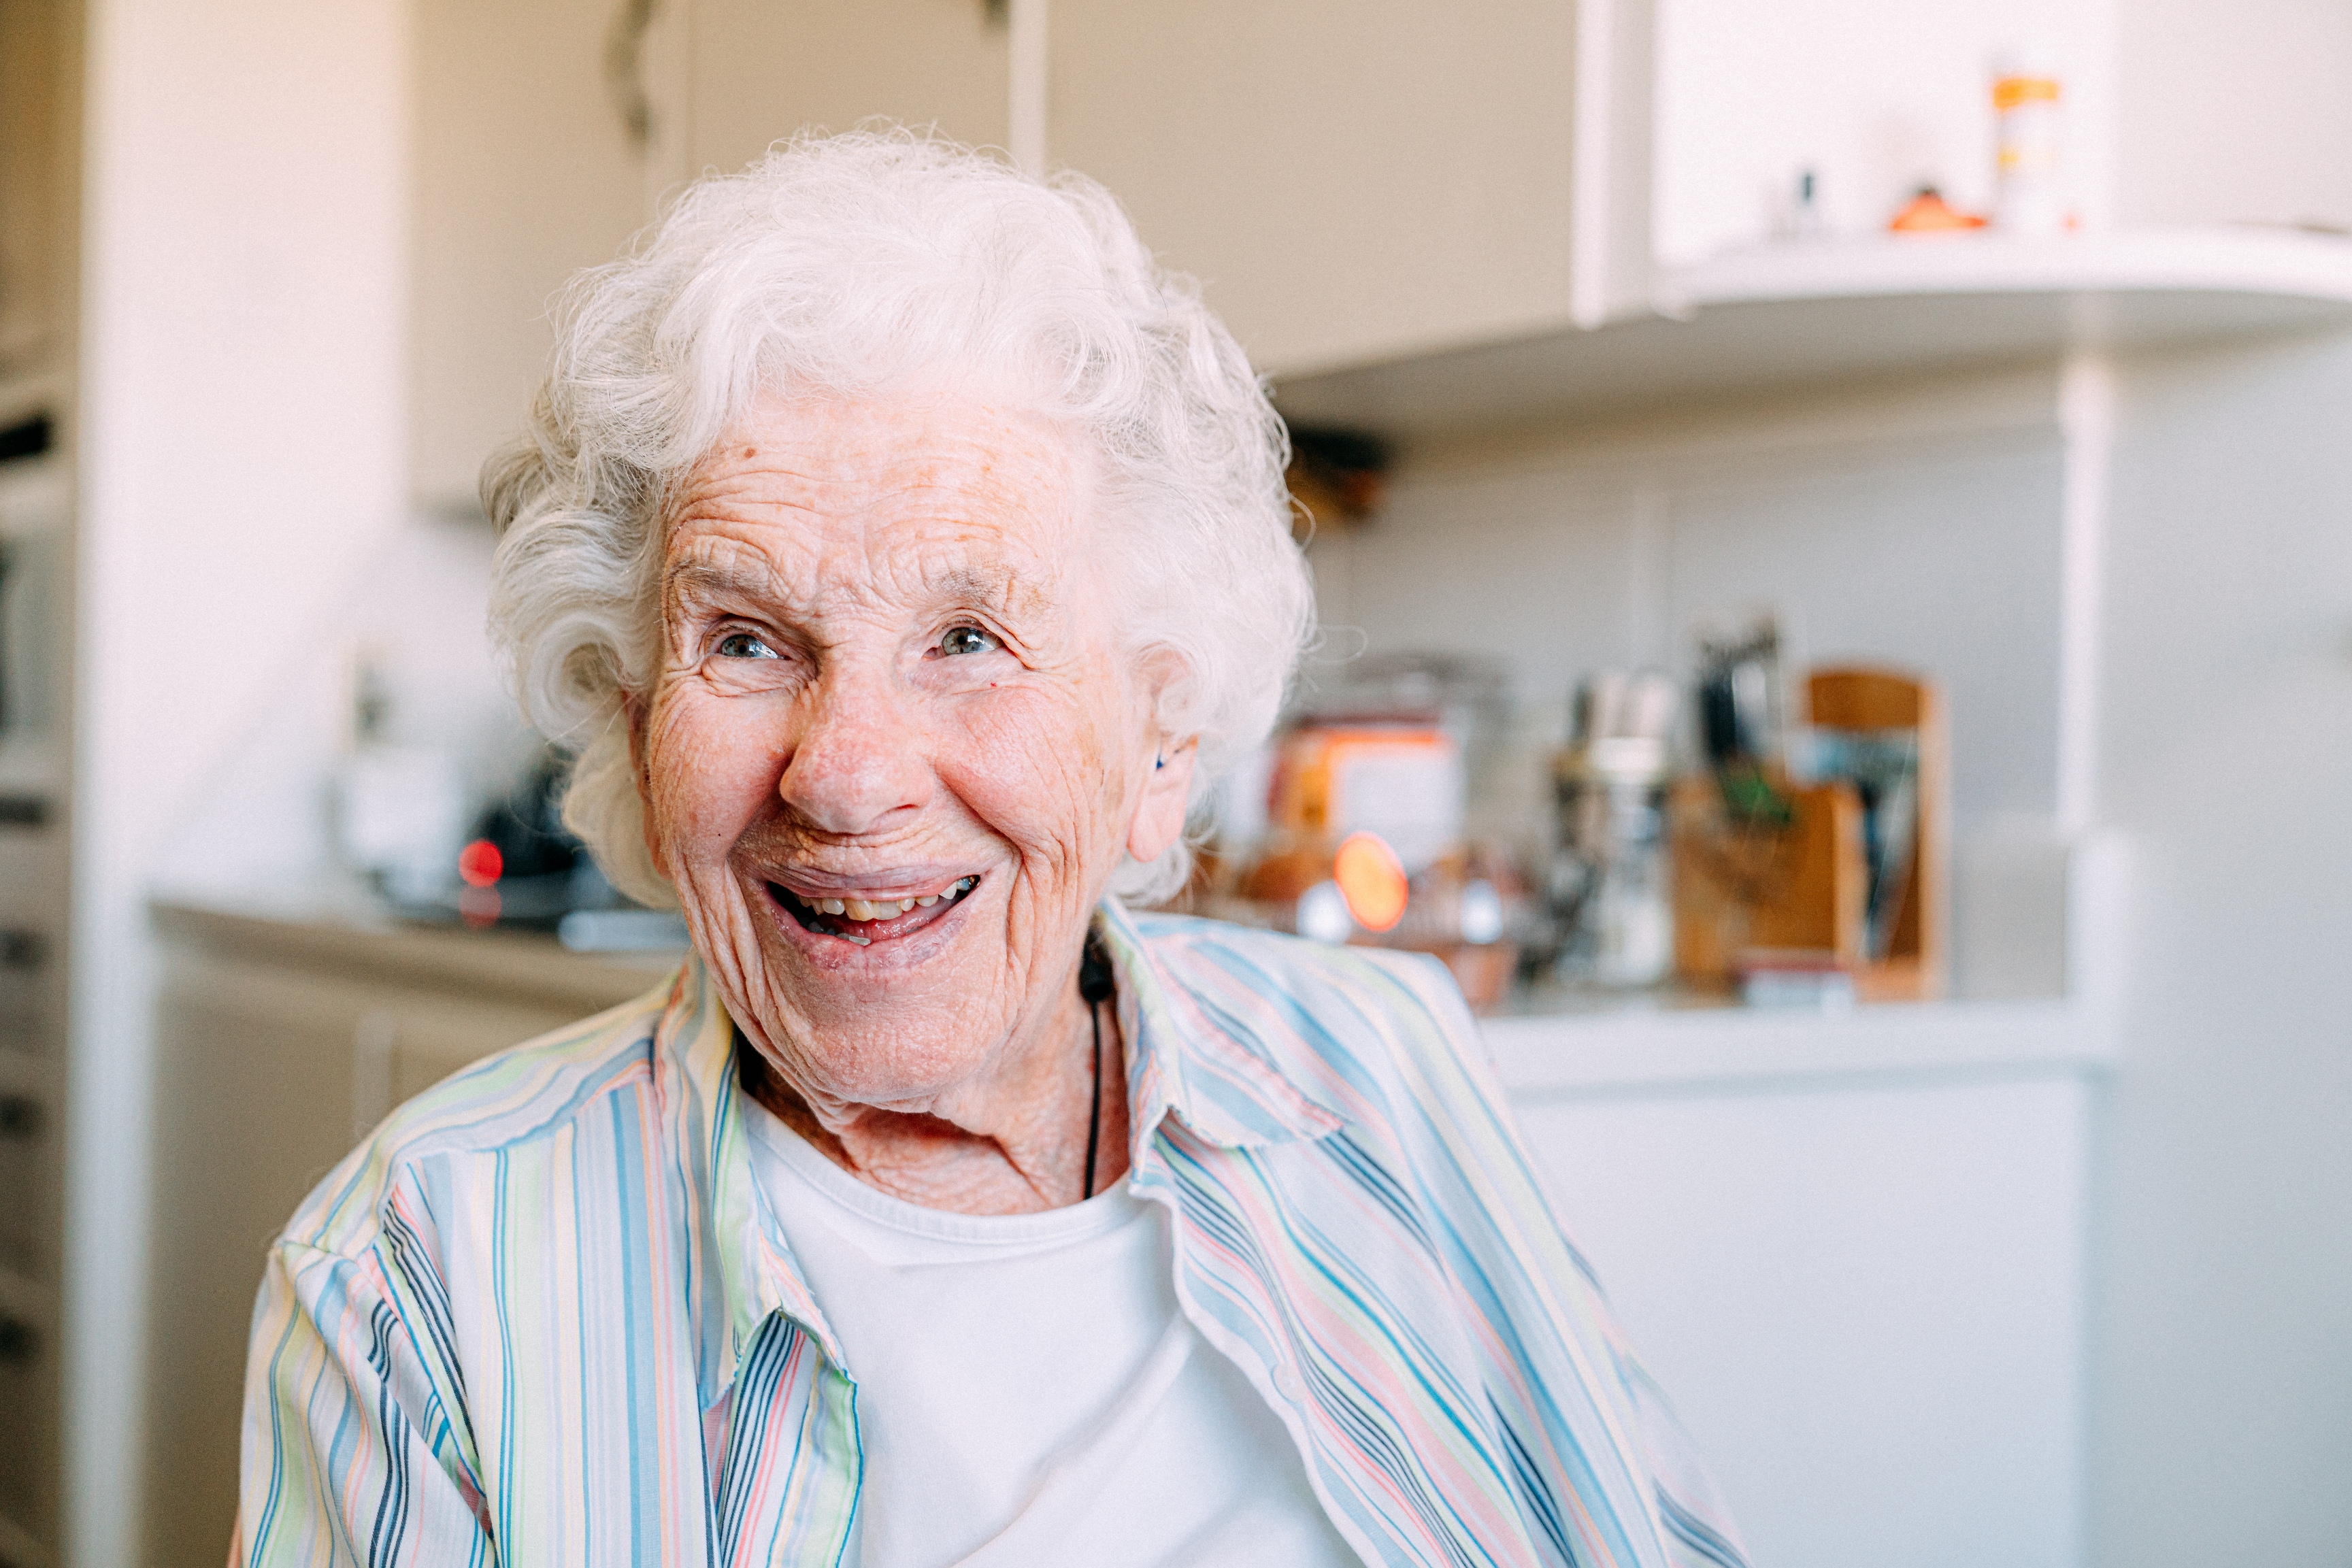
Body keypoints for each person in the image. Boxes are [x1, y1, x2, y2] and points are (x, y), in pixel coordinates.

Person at [235, 131, 1747, 1568]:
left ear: (1158, 743)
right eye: (748, 640)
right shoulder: (416, 1271)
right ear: (636, 727)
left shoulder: (1378, 1064)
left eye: (968, 635)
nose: (843, 774)